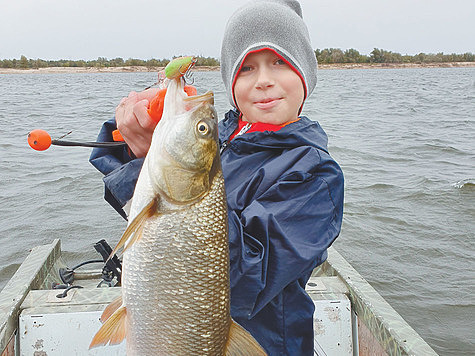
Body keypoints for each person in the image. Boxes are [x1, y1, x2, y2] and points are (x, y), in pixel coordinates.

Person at [90, 0, 344, 354]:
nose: (265, 81)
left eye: (280, 63)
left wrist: (155, 165)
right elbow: (148, 216)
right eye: (247, 68)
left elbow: (244, 280)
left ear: (306, 75)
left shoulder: (316, 175)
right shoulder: (218, 141)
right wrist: (135, 145)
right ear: (230, 80)